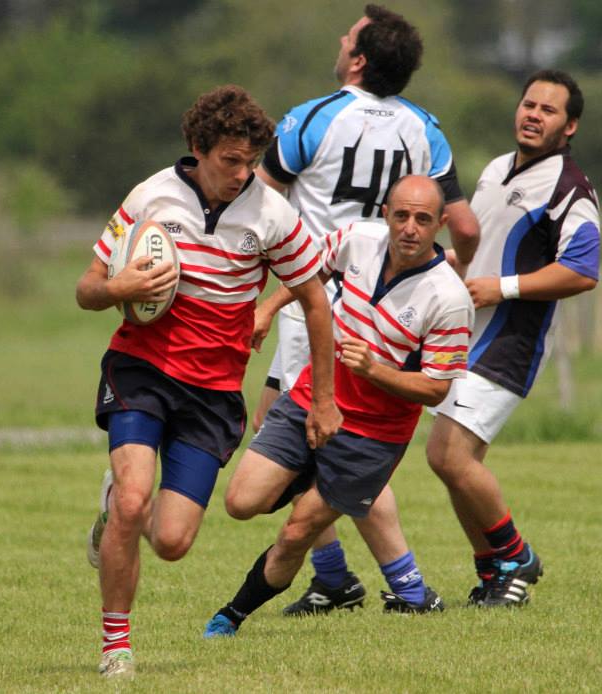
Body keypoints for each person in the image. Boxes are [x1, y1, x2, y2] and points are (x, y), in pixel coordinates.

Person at [75, 85, 341, 679]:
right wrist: (122, 290)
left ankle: (113, 505)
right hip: (141, 369)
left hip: (213, 393)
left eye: (250, 161)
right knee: (137, 496)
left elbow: (315, 302)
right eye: (230, 161)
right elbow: (88, 287)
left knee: (171, 541)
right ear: (197, 149)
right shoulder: (152, 196)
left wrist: (324, 399)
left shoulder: (271, 214)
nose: (242, 174)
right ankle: (116, 646)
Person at [251, 3, 480, 615]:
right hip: (383, 301)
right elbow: (462, 221)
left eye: (348, 36)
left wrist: (258, 278)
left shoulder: (316, 116)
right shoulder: (425, 128)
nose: (339, 37)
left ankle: (394, 584)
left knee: (328, 444)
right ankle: (338, 577)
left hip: (325, 300)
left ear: (357, 59)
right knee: (307, 439)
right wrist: (452, 267)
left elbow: (260, 198)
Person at [202, 174, 473, 638]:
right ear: (385, 213)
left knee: (295, 533)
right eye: (402, 215)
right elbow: (310, 274)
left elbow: (435, 389)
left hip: (374, 435)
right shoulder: (357, 239)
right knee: (241, 502)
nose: (410, 228)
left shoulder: (449, 299)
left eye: (423, 219)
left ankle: (232, 615)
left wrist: (375, 370)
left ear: (441, 224)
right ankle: (320, 477)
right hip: (314, 395)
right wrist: (267, 310)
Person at [426, 69, 600, 607]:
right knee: (451, 463)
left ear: (568, 127)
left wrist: (501, 288)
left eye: (548, 111)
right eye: (529, 104)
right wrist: (430, 265)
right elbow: (480, 249)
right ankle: (494, 574)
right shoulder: (499, 169)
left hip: (511, 340)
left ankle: (516, 555)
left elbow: (583, 270)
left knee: (449, 456)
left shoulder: (571, 189)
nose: (533, 115)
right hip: (463, 332)